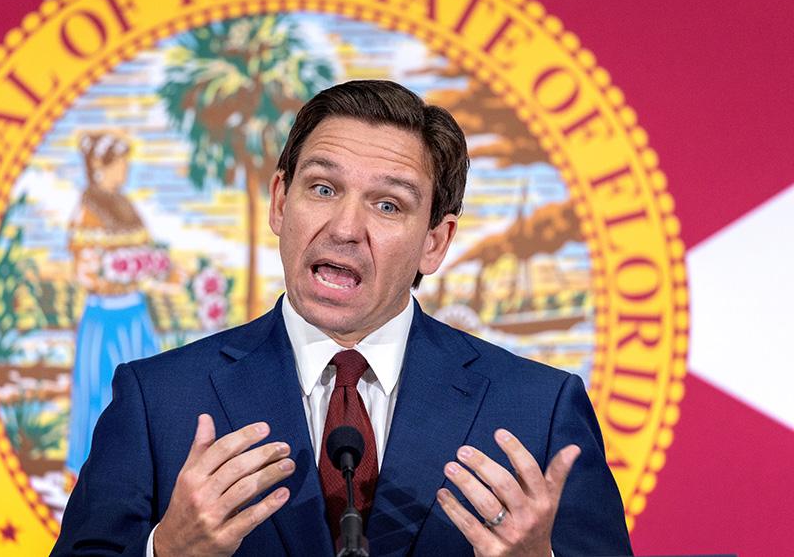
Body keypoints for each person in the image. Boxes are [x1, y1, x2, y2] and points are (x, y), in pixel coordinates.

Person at [52, 82, 632, 556]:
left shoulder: (538, 411)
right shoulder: (158, 400)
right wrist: (167, 552)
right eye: (323, 188)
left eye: (388, 205)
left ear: (436, 240)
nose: (346, 228)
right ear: (281, 202)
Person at [66, 131, 163, 476]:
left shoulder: (127, 206)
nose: (124, 171)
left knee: (150, 392)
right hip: (105, 318)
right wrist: (113, 274)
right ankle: (94, 472)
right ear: (99, 168)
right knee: (100, 392)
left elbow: (147, 253)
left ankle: (144, 468)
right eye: (119, 164)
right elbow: (84, 271)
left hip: (135, 314)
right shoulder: (87, 211)